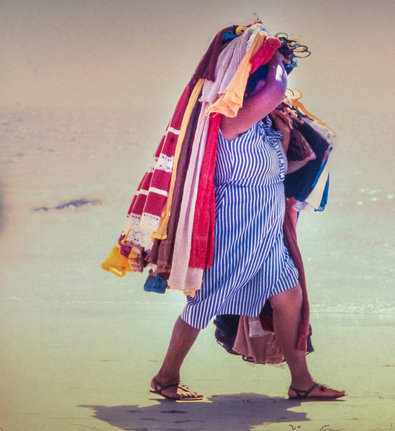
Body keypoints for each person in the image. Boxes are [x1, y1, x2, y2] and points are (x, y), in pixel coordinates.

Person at [138, 24, 345, 400]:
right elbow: (276, 89)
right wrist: (268, 51)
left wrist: (293, 145)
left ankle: (301, 382)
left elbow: (276, 173)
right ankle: (165, 377)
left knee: (289, 296)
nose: (278, 72)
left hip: (265, 225)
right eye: (268, 66)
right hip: (235, 223)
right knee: (205, 303)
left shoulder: (265, 124)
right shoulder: (228, 120)